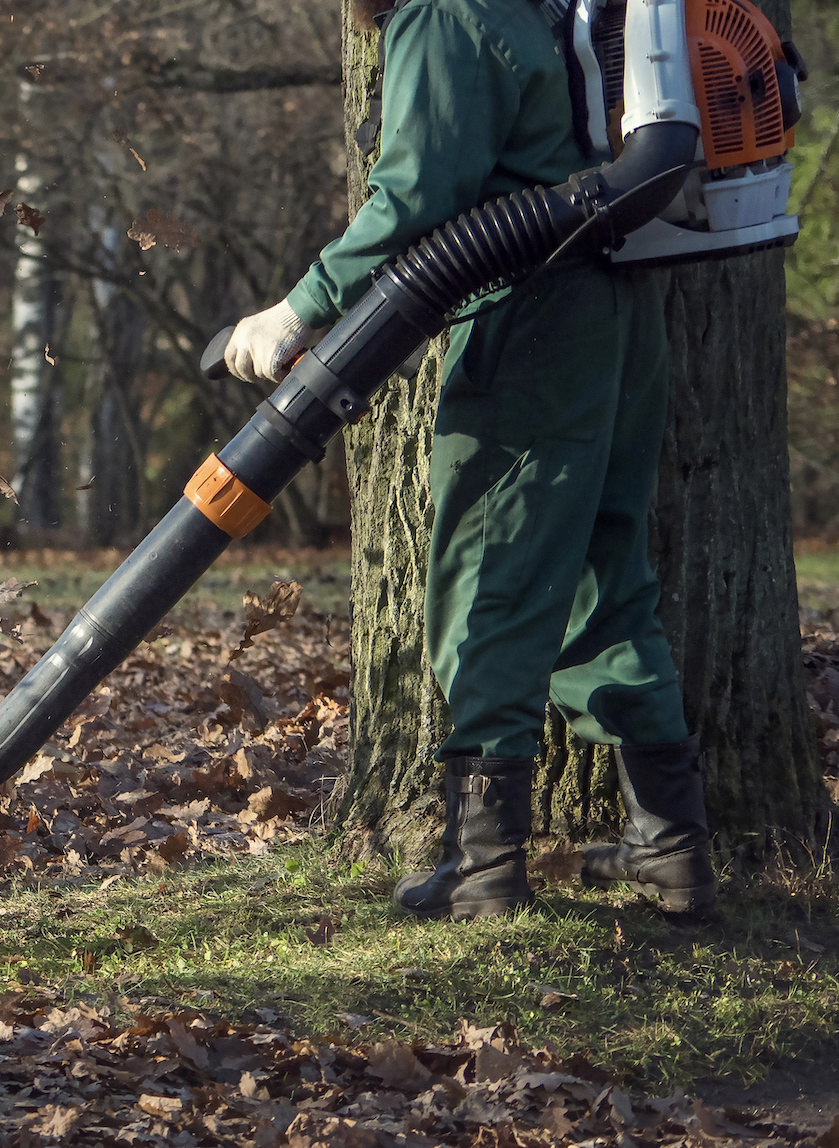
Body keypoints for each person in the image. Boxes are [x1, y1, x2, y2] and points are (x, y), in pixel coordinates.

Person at [222, 0, 713, 918]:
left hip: (535, 317)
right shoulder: (526, 11)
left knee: (492, 569)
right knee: (601, 572)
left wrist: (300, 308)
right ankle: (672, 846)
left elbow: (413, 199)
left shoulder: (448, 15)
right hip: (618, 309)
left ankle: (484, 867)